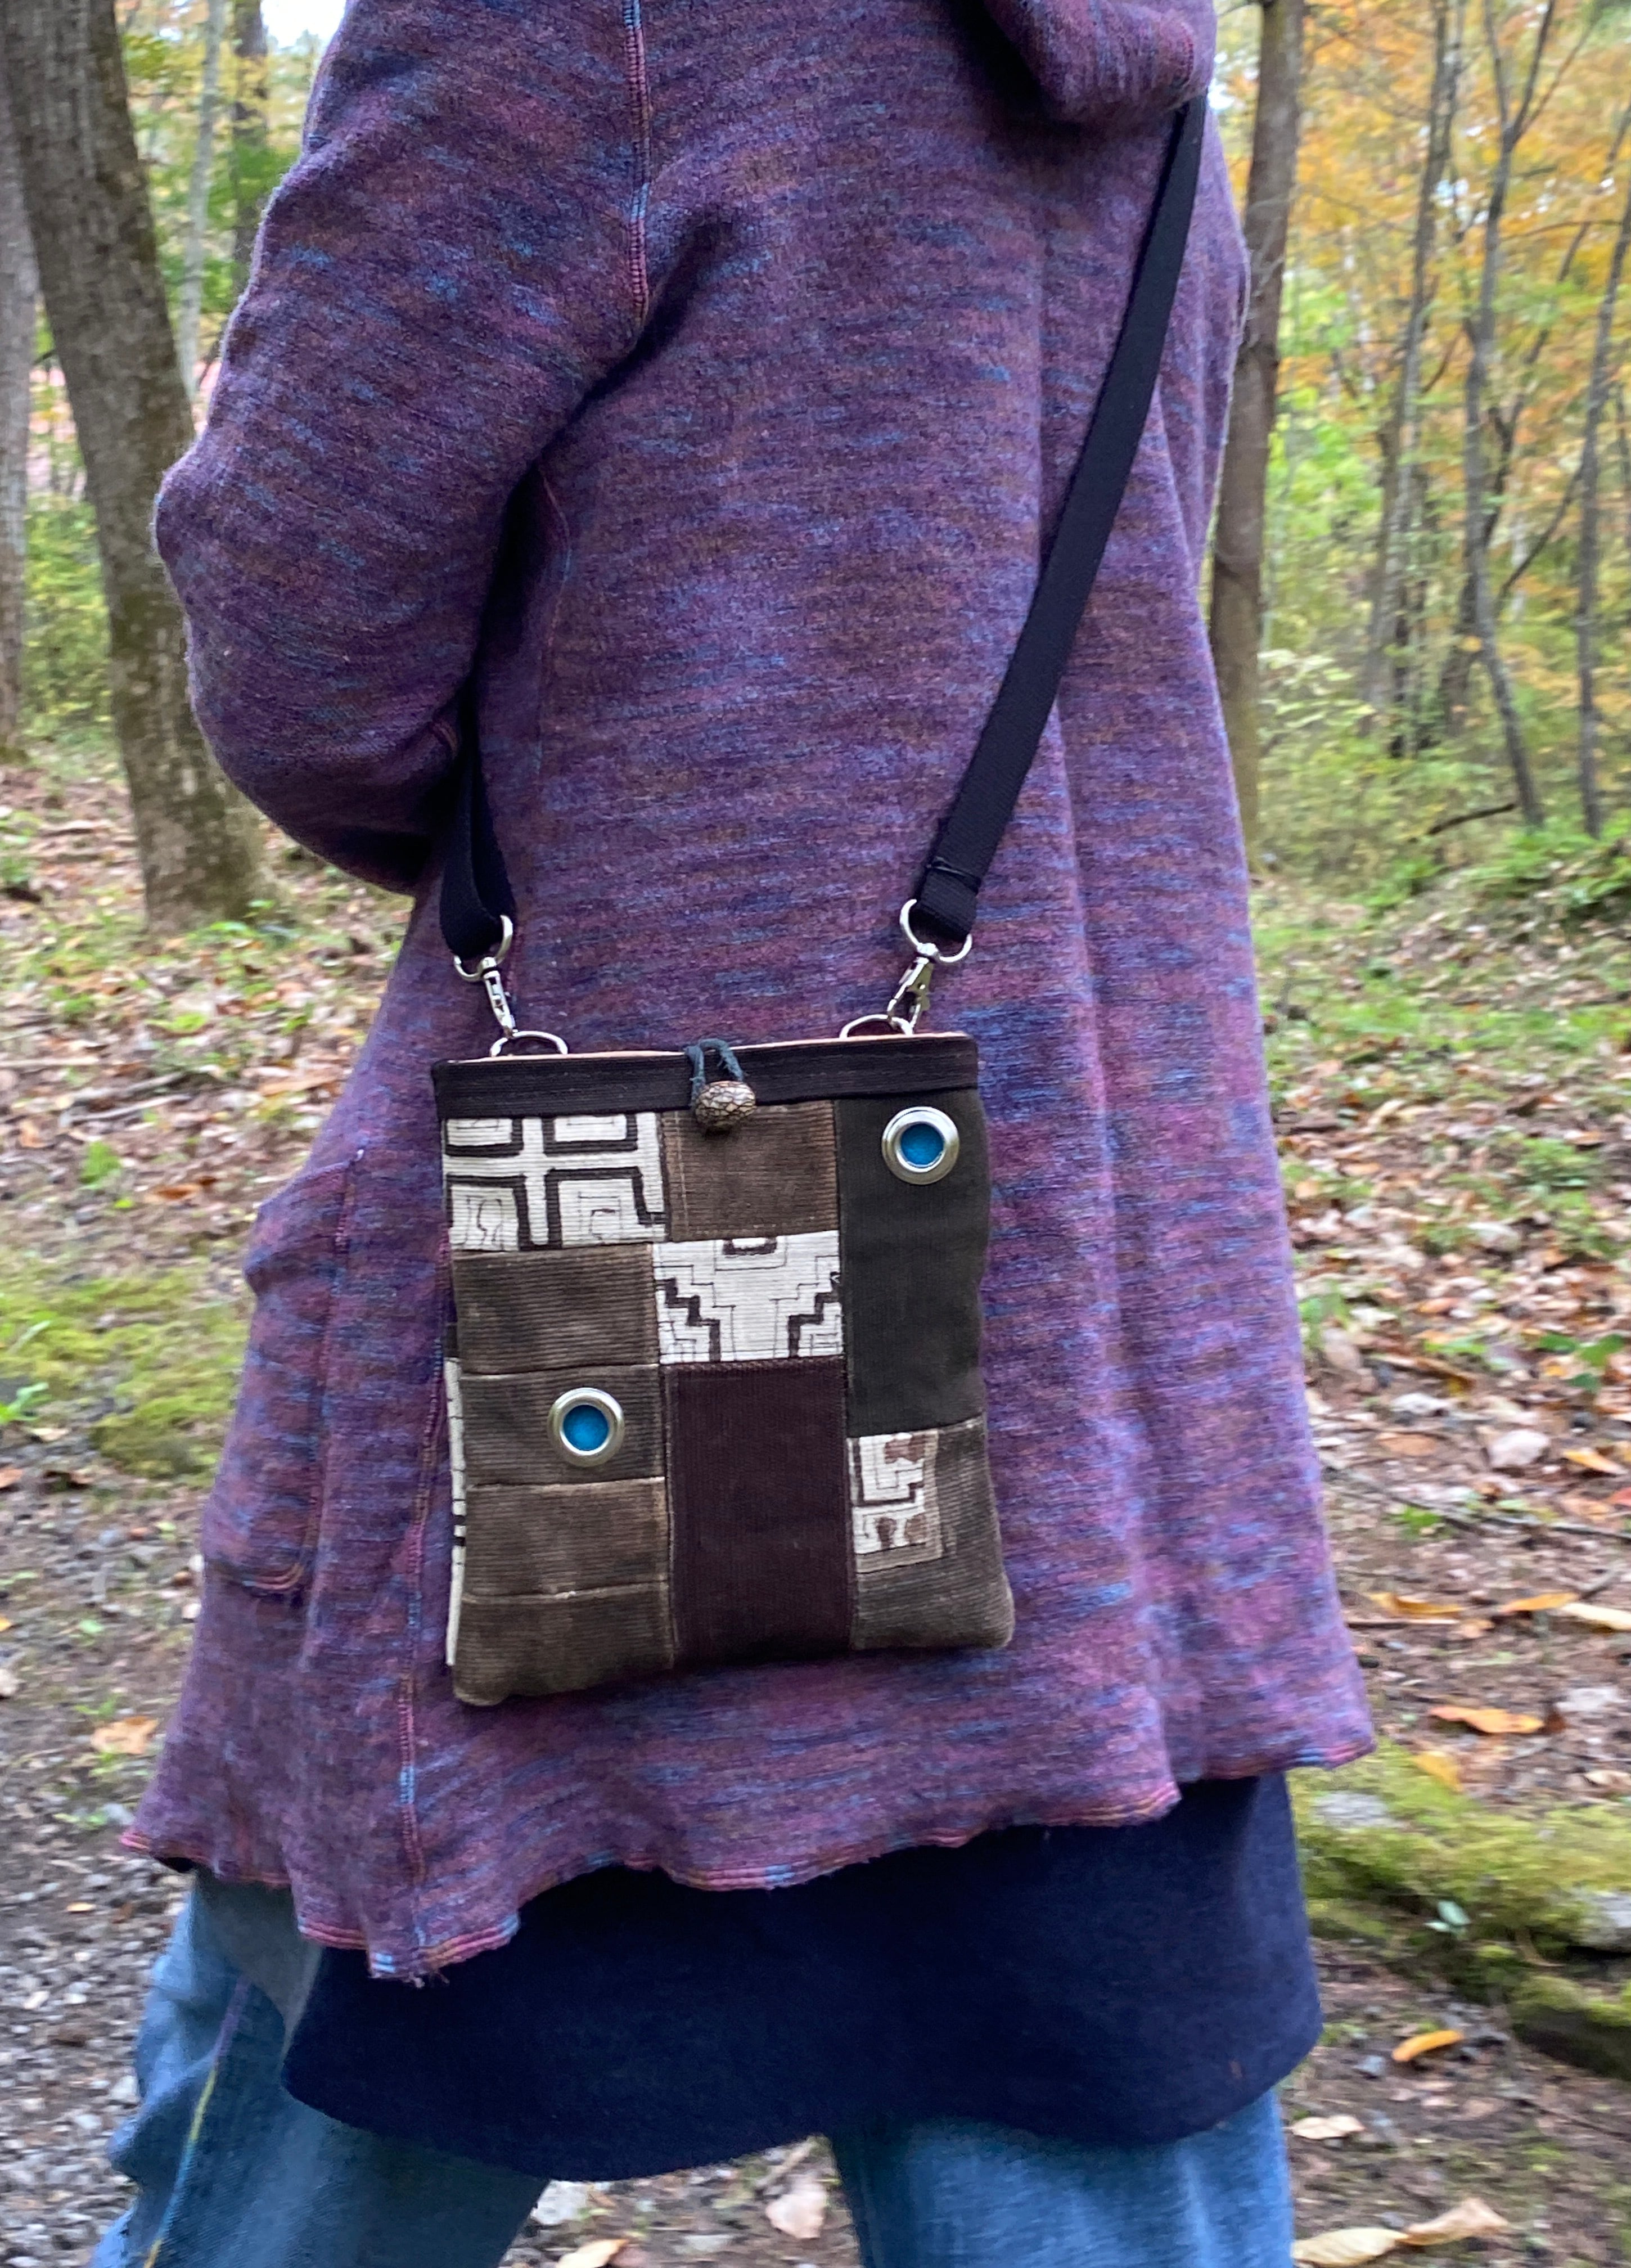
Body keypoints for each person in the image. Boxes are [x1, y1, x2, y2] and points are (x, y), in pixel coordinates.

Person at [96, 0, 1373, 2260]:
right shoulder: (1159, 76)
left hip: (606, 1230)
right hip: (1104, 1284)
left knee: (339, 2109)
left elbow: (304, 636)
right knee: (1087, 2082)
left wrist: (619, 866)